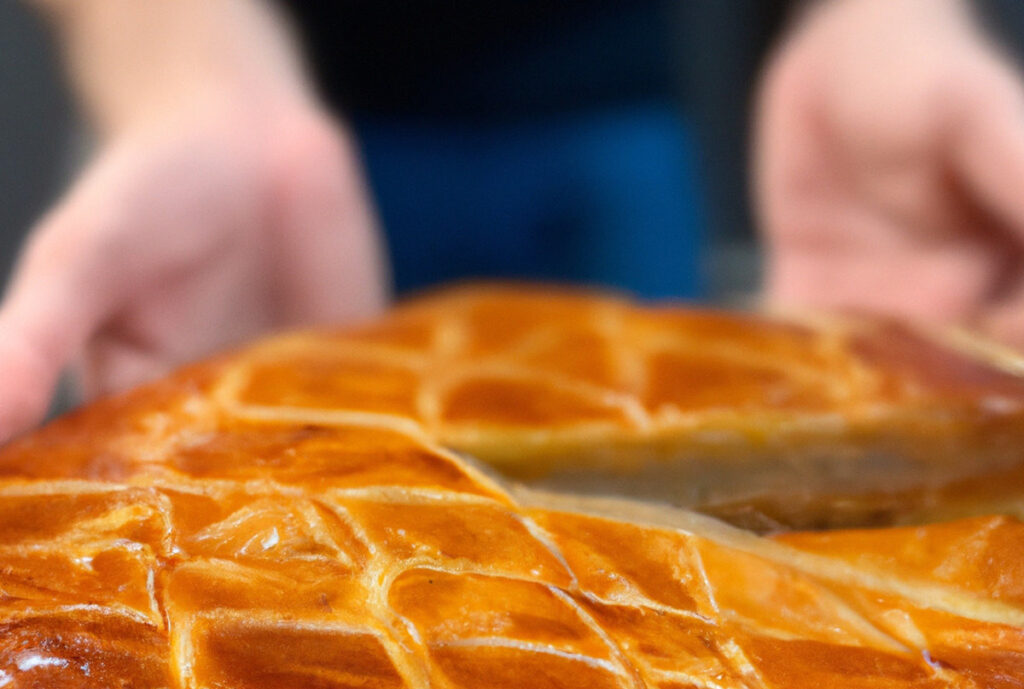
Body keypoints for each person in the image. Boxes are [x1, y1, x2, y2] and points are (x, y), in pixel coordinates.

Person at [2, 0, 1024, 441]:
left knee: (665, 559)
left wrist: (889, 16)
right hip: (246, 136)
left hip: (606, 112)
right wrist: (178, 68)